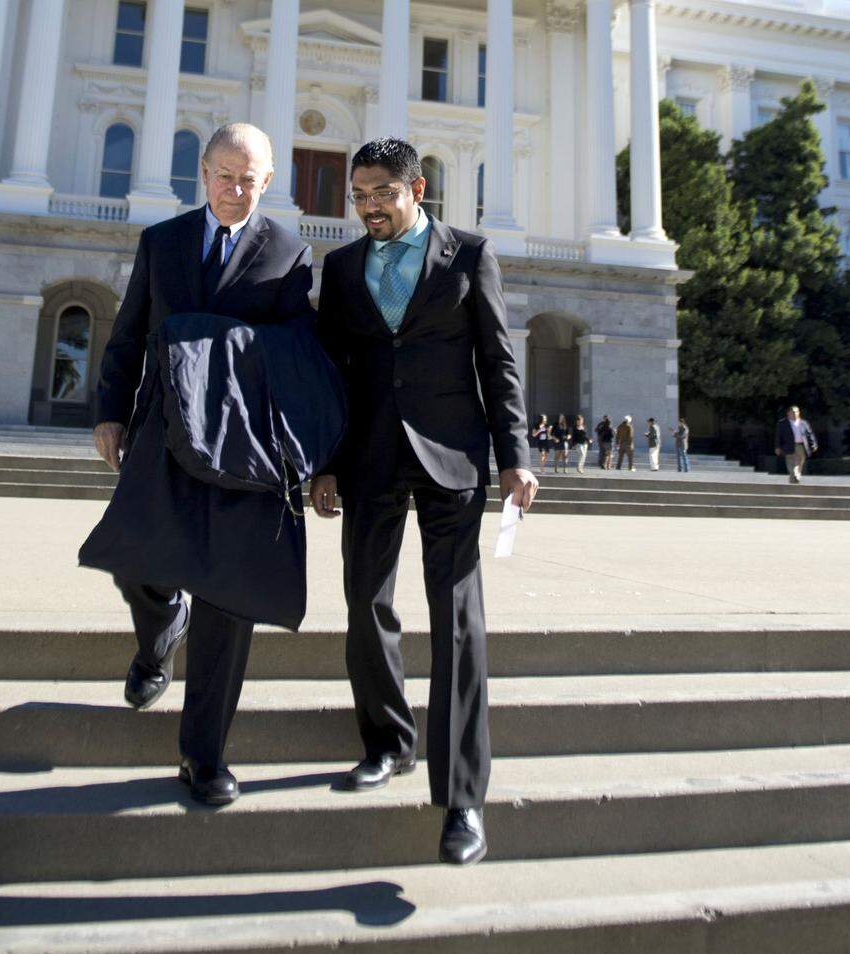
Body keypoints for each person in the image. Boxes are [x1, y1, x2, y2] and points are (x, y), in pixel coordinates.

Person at [310, 138, 537, 867]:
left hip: (453, 460)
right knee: (365, 605)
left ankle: (464, 797)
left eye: (382, 191)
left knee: (458, 622)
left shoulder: (469, 255)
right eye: (359, 194)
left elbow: (497, 361)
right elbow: (330, 373)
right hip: (369, 459)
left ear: (418, 187)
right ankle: (386, 744)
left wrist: (517, 457)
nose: (369, 206)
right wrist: (322, 465)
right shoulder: (340, 269)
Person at [90, 123, 318, 806]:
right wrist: (110, 410)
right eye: (225, 174)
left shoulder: (288, 251)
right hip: (161, 431)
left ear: (269, 182)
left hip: (241, 446)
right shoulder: (162, 242)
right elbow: (128, 331)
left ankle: (205, 756)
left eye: (250, 179)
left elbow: (297, 354)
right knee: (134, 559)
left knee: (228, 596)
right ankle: (160, 628)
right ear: (203, 172)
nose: (235, 189)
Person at [775, 405, 818, 484]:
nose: (794, 413)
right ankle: (795, 474)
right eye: (792, 412)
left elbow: (809, 434)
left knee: (800, 462)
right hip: (788, 446)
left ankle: (794, 478)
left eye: (796, 412)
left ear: (799, 413)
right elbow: (778, 436)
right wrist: (777, 447)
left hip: (801, 445)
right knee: (790, 462)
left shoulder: (804, 423)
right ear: (788, 413)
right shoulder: (782, 423)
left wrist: (814, 445)